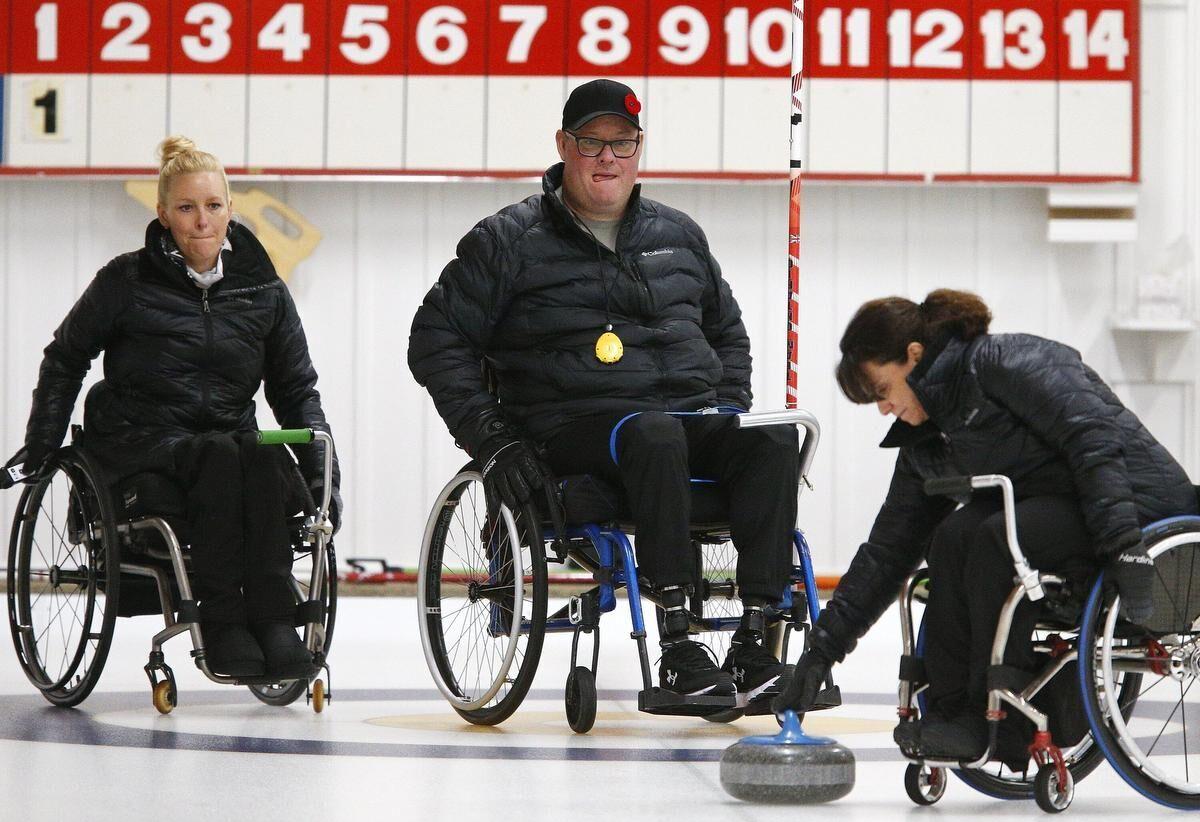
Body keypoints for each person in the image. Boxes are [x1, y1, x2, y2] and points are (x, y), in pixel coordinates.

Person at [408, 79, 799, 712]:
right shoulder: (507, 241)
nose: (607, 158)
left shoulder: (680, 235)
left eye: (622, 143)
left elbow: (728, 335)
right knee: (653, 432)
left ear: (639, 149)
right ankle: (678, 645)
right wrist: (495, 440)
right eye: (592, 142)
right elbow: (434, 340)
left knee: (774, 439)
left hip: (684, 424)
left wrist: (727, 410)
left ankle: (756, 645)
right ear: (563, 145)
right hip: (573, 429)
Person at [774, 288, 1197, 759]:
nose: (883, 409)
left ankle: (996, 721)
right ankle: (955, 716)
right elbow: (887, 552)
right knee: (952, 535)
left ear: (914, 356)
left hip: (1140, 510)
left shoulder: (1005, 362)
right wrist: (819, 655)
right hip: (1057, 515)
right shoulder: (928, 442)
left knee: (995, 535)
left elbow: (1092, 438)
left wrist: (1124, 544)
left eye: (882, 391)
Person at [4, 136, 341, 679]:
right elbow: (66, 357)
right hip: (141, 445)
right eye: (186, 208)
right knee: (221, 457)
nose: (202, 222)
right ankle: (224, 624)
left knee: (260, 458)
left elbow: (297, 389)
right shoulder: (126, 280)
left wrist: (325, 479)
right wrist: (42, 446)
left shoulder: (264, 291)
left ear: (232, 208)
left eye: (213, 206)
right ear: (162, 214)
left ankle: (275, 623)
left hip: (228, 444)